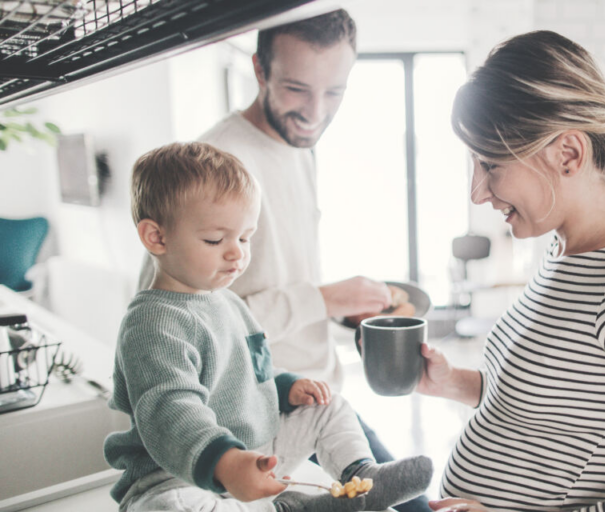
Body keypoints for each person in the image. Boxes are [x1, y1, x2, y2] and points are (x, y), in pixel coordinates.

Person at [417, 31, 605, 512]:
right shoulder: (564, 253)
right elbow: (555, 414)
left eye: (492, 165)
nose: (478, 192)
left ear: (568, 154)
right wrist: (452, 382)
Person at [137, 11, 432, 511]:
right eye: (297, 89)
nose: (315, 112)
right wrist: (321, 298)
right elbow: (176, 315)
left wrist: (339, 311)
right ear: (259, 70)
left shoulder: (297, 147)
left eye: (334, 92)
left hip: (310, 397)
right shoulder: (217, 163)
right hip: (249, 422)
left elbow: (275, 279)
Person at [106, 142, 432, 512]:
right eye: (216, 239)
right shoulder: (152, 323)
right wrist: (225, 463)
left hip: (254, 453)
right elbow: (170, 411)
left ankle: (361, 478)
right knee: (171, 508)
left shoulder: (225, 300)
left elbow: (249, 371)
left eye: (245, 237)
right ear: (156, 237)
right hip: (175, 474)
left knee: (330, 407)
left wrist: (285, 387)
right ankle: (292, 508)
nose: (237, 253)